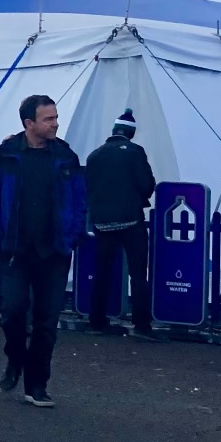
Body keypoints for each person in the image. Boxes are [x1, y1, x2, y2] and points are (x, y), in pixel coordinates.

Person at [0, 94, 87, 409]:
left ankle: (37, 384)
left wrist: (72, 236)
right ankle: (15, 358)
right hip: (15, 250)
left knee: (46, 320)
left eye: (56, 117)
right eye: (48, 119)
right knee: (12, 311)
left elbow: (80, 198)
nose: (55, 123)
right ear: (29, 123)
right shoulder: (7, 154)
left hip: (53, 252)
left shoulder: (65, 156)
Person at [85, 109, 156, 337]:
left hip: (102, 223)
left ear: (114, 131)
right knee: (137, 274)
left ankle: (96, 321)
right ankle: (141, 325)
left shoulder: (94, 156)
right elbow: (147, 184)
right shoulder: (135, 153)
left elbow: (87, 188)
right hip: (130, 221)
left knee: (102, 272)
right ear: (131, 133)